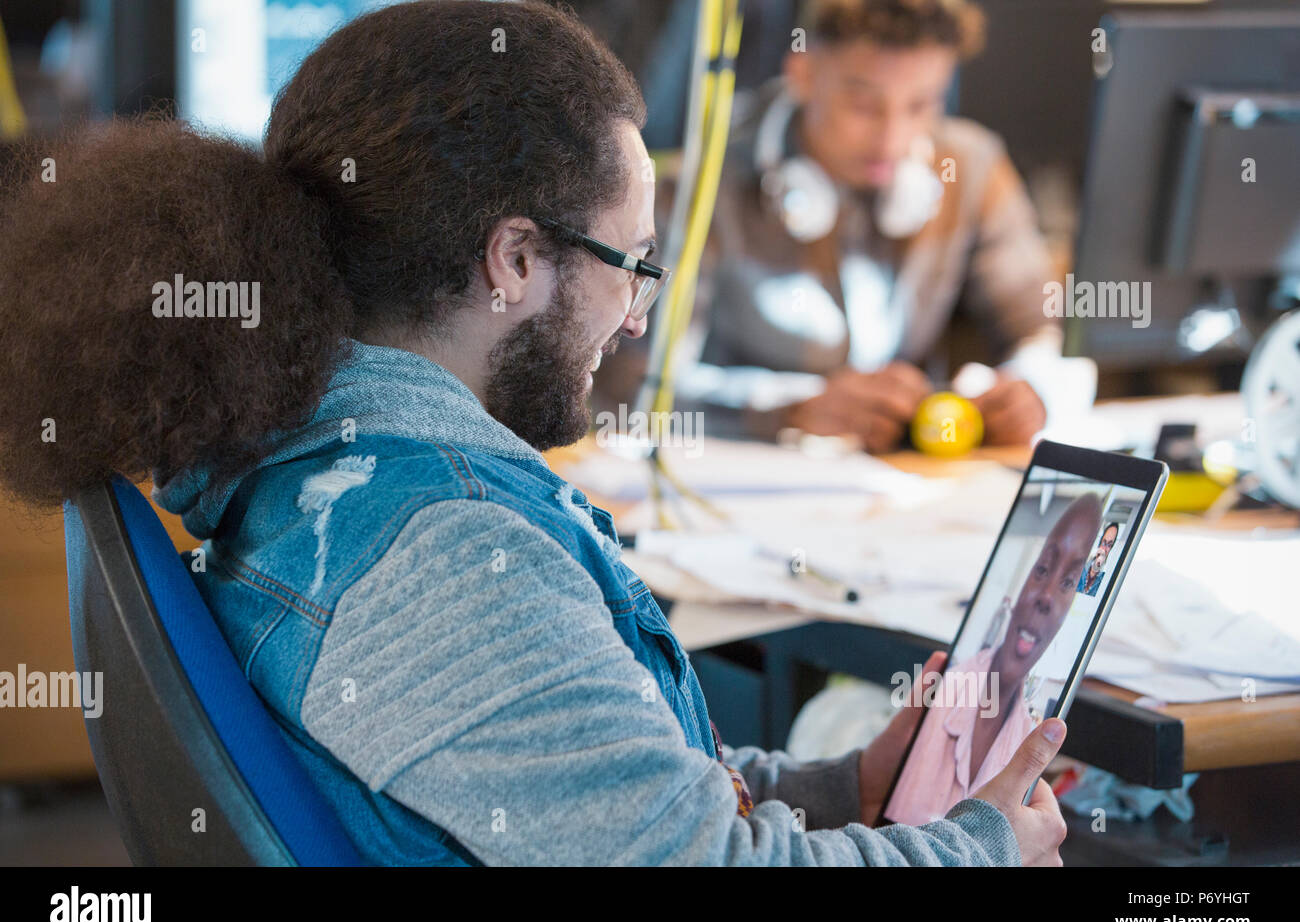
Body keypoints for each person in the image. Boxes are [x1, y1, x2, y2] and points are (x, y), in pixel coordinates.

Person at [0, 1, 1069, 866]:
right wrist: (979, 847)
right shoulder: (451, 548)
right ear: (514, 260)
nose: (638, 312)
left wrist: (846, 788)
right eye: (633, 265)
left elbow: (584, 780)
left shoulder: (308, 461)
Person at [609, 0, 1082, 452]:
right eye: (863, 106)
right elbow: (630, 386)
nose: (892, 138)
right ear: (802, 72)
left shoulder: (972, 168)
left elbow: (1039, 328)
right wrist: (788, 411)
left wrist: (1033, 387)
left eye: (920, 105)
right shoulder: (701, 184)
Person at [885, 493, 1103, 825]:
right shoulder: (949, 690)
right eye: (1042, 570)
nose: (1045, 597)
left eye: (1068, 582)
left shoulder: (1026, 737)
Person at [1078, 521, 1119, 596]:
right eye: (1104, 542)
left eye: (1109, 545)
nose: (1104, 549)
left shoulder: (1105, 580)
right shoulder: (1081, 567)